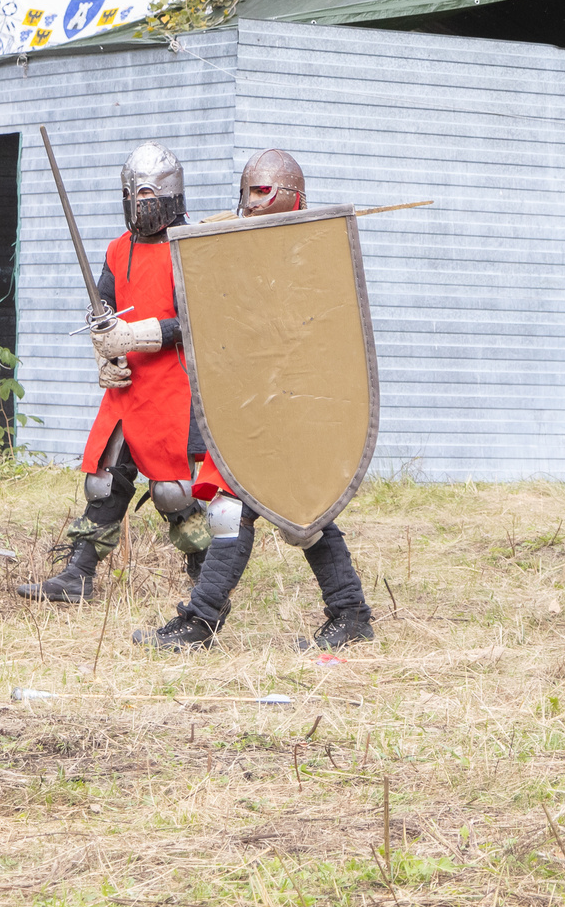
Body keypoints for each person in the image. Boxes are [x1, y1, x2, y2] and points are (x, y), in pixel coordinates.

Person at [136, 149, 381, 653]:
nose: (250, 202)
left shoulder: (315, 249)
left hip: (300, 404)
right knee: (241, 508)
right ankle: (338, 613)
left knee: (304, 509)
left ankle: (342, 612)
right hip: (255, 403)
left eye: (261, 191)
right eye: (246, 192)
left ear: (292, 196)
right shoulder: (238, 252)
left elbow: (322, 338)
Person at [17, 142, 214, 602]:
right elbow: (103, 310)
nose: (140, 205)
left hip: (174, 384)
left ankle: (207, 577)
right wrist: (105, 353)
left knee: (171, 491)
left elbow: (199, 320)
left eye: (148, 196)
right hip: (129, 386)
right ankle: (78, 574)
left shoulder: (194, 244)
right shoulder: (117, 248)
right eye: (133, 196)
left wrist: (140, 336)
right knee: (104, 479)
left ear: (169, 196)